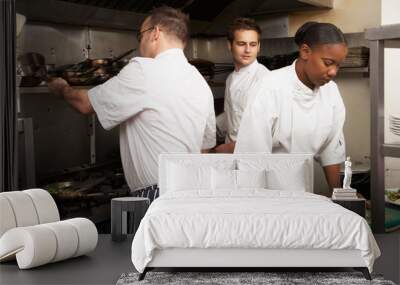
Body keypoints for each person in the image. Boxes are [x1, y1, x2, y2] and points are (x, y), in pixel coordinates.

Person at [47, 6, 216, 192]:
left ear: (155, 33)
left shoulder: (144, 70)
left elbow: (85, 104)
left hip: (157, 194)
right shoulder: (200, 82)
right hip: (193, 190)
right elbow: (205, 148)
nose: (140, 43)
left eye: (140, 36)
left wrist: (62, 88)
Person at [235, 21, 348, 191]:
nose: (333, 72)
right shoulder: (270, 87)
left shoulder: (331, 92)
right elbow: (251, 158)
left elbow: (331, 150)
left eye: (337, 65)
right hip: (269, 194)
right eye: (327, 63)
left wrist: (341, 195)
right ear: (305, 52)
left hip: (306, 193)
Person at [214, 18, 270, 153]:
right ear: (230, 45)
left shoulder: (264, 79)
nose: (247, 50)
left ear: (259, 47)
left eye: (253, 44)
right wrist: (209, 128)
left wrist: (229, 148)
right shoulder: (230, 78)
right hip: (231, 152)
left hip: (252, 154)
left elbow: (266, 130)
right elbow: (231, 114)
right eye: (241, 44)